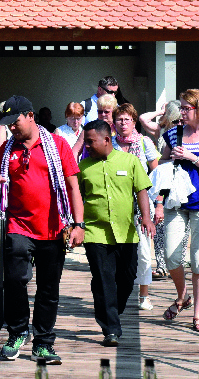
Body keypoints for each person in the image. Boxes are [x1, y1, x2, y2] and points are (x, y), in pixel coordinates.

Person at [0, 95, 84, 364]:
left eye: (15, 121)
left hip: (53, 229)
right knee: (16, 279)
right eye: (7, 124)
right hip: (18, 225)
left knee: (48, 288)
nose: (12, 128)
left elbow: (73, 187)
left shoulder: (57, 144)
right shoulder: (8, 149)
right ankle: (17, 332)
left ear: (30, 116)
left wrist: (79, 224)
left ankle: (43, 342)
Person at [78, 120, 155, 346]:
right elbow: (76, 198)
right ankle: (111, 329)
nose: (87, 147)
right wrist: (77, 225)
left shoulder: (130, 161)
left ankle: (111, 309)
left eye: (90, 142)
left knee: (127, 277)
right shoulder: (83, 168)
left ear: (106, 140)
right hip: (95, 232)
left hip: (126, 232)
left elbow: (141, 189)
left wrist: (146, 217)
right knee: (104, 280)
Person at [112, 103, 159, 311]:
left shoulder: (144, 142)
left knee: (142, 250)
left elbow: (156, 173)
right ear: (114, 123)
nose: (123, 123)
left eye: (127, 119)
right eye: (119, 119)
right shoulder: (110, 142)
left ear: (133, 121)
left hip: (142, 202)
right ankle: (115, 293)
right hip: (116, 202)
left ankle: (144, 294)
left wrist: (157, 204)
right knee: (116, 249)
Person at [161, 89, 199, 332]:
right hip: (176, 201)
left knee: (198, 260)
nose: (182, 112)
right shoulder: (173, 133)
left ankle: (197, 313)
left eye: (186, 108)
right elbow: (161, 163)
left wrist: (192, 157)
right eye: (181, 108)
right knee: (170, 256)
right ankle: (183, 296)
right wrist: (171, 159)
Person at [139, 100, 189, 280]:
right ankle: (162, 265)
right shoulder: (162, 131)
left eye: (180, 120)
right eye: (175, 120)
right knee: (160, 227)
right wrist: (159, 111)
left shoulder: (187, 133)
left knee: (182, 227)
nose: (179, 124)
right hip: (163, 180)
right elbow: (143, 119)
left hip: (182, 182)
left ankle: (178, 263)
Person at [72, 94, 117, 162]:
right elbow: (75, 151)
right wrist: (76, 170)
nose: (103, 114)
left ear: (113, 112)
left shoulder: (119, 128)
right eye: (100, 111)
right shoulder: (90, 127)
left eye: (106, 112)